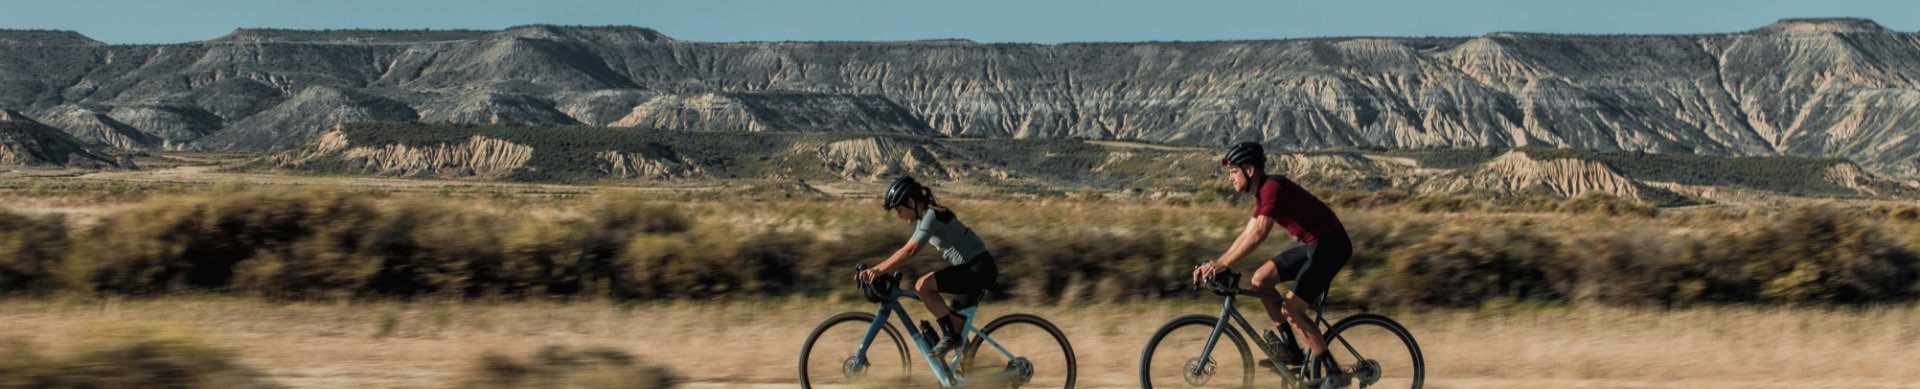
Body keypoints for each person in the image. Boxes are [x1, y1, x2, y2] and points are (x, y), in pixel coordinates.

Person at [1192, 141, 1353, 389]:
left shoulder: (1272, 188)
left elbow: (1259, 234)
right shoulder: (1262, 195)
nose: (1230, 178)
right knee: (1260, 280)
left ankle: (1334, 373)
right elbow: (1246, 234)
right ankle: (1292, 350)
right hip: (1316, 245)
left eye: (1234, 171)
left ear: (1250, 170)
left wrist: (1222, 264)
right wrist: (1217, 263)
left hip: (1332, 246)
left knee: (1292, 309)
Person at [855, 176, 998, 358]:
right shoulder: (924, 219)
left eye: (899, 210)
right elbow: (907, 249)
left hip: (978, 267)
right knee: (957, 334)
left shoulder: (932, 215)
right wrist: (878, 270)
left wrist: (877, 270)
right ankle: (974, 375)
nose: (900, 216)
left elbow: (910, 251)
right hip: (972, 268)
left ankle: (949, 336)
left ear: (911, 202)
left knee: (922, 286)